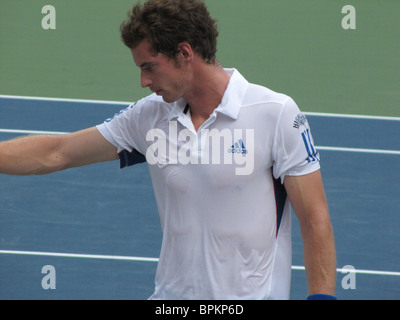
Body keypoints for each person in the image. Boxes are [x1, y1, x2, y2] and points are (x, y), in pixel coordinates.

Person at [0, 0, 336, 300]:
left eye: (149, 66)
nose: (143, 81)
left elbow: (314, 218)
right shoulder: (149, 116)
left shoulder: (275, 113)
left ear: (185, 53)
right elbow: (57, 152)